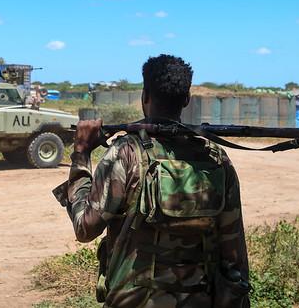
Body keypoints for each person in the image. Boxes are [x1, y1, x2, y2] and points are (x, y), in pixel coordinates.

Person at [60, 54, 250, 307]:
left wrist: (81, 155)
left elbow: (85, 228)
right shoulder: (215, 157)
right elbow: (233, 248)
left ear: (145, 96)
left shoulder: (125, 153)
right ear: (186, 99)